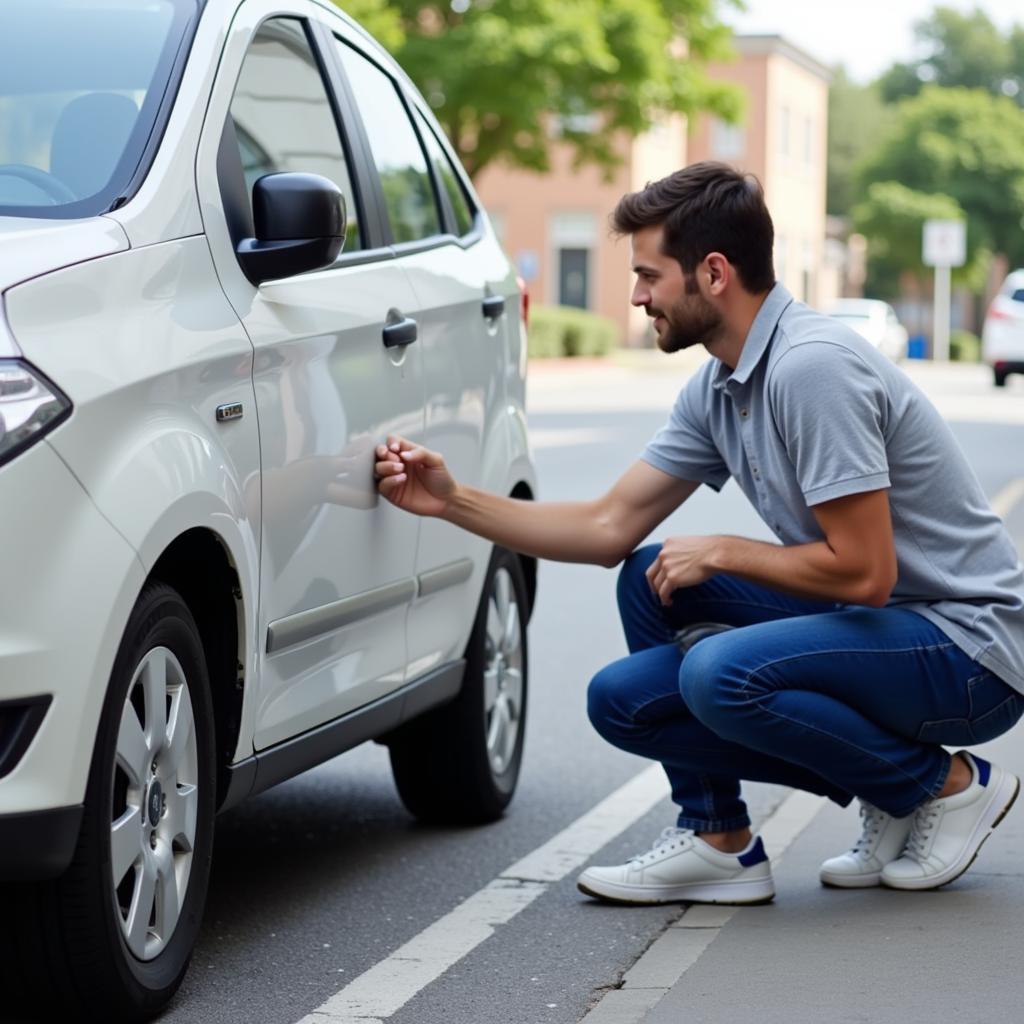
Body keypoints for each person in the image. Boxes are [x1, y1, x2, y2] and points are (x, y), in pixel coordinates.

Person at [374, 161, 1024, 905]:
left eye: (650, 275)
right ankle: (720, 840)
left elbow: (865, 572)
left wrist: (722, 549)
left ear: (713, 273)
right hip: (883, 630)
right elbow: (606, 525)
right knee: (632, 652)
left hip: (968, 651)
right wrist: (452, 500)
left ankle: (940, 786)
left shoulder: (812, 369)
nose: (636, 295)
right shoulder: (720, 385)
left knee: (720, 674)